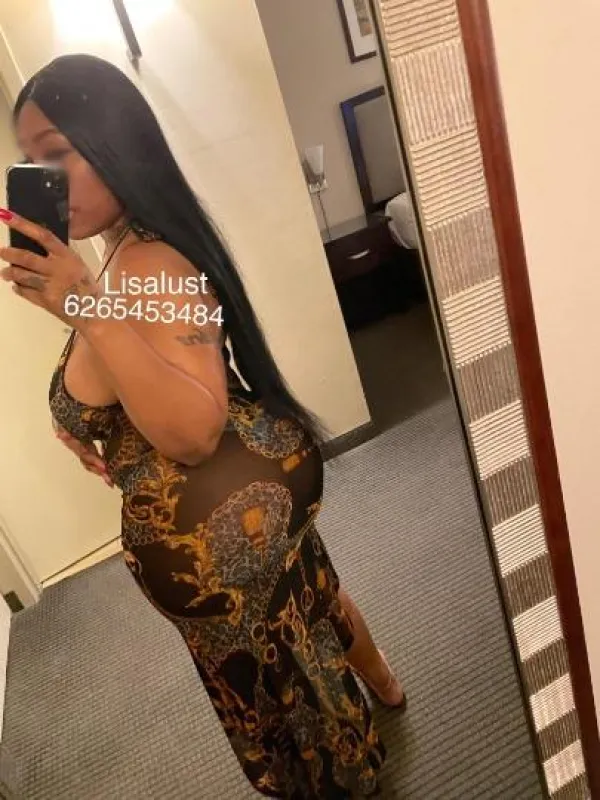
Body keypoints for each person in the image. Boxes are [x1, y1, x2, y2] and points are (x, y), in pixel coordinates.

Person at [0, 54, 405, 799]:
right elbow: (144, 374)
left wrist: (82, 307)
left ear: (116, 139)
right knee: (308, 596)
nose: (43, 179)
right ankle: (382, 680)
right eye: (30, 161)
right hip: (249, 493)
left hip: (222, 526)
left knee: (286, 672)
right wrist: (89, 421)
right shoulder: (130, 248)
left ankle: (348, 777)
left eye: (57, 153)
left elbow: (191, 430)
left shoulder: (146, 261)